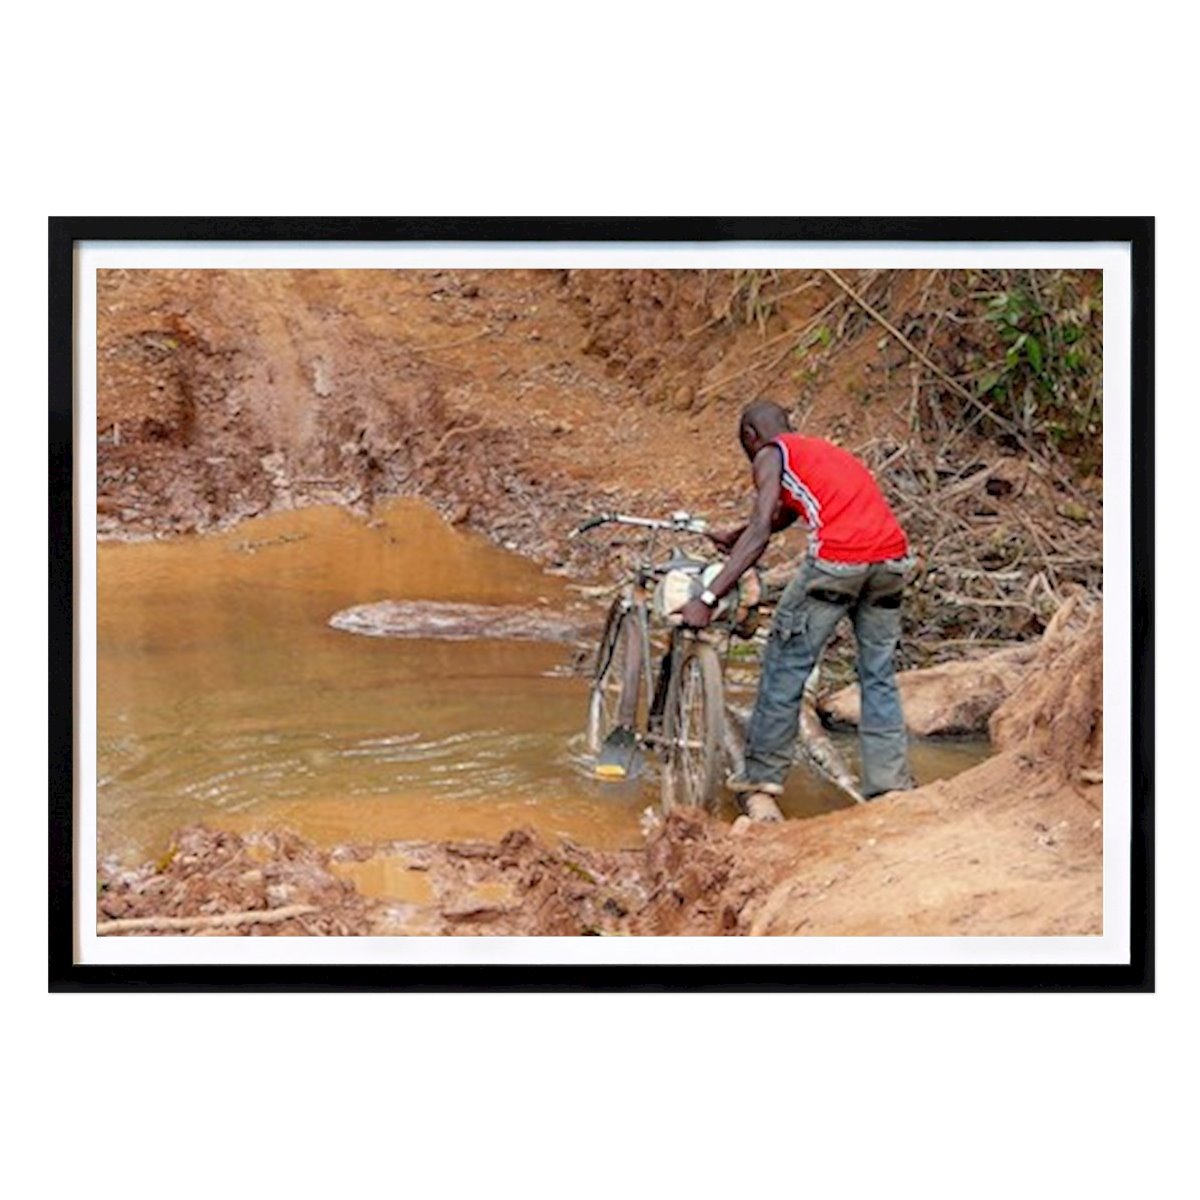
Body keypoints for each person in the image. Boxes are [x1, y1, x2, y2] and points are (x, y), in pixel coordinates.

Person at [678, 399, 914, 821]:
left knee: (785, 662)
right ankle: (889, 785)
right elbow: (787, 509)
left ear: (752, 436)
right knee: (877, 673)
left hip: (838, 561)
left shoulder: (772, 453)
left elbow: (763, 528)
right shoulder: (821, 452)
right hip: (892, 561)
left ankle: (760, 780)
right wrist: (739, 532)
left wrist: (709, 598)